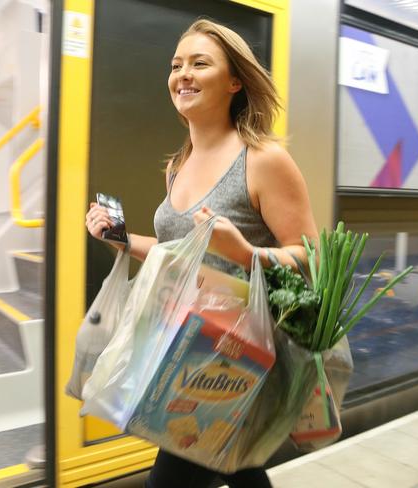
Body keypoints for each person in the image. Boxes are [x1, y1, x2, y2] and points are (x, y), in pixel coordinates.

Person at [85, 18, 318, 488]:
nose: (182, 74)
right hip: (186, 345)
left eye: (199, 63)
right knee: (240, 467)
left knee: (173, 479)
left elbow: (310, 255)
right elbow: (179, 254)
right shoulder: (178, 164)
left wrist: (248, 252)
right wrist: (122, 240)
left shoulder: (264, 160)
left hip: (237, 353)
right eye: (176, 65)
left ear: (235, 81)